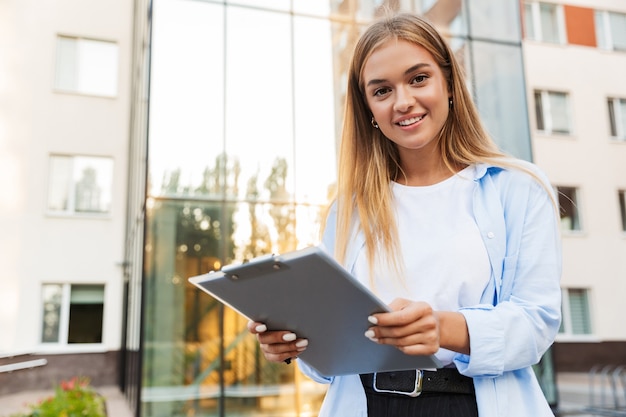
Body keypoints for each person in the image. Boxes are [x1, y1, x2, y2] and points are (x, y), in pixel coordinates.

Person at [247, 11, 562, 417]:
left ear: (449, 83)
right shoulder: (349, 210)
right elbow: (327, 366)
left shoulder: (518, 188)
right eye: (381, 91)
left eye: (418, 78)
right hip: (365, 404)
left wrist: (444, 329)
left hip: (470, 405)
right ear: (369, 110)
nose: (403, 102)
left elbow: (537, 322)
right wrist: (297, 344)